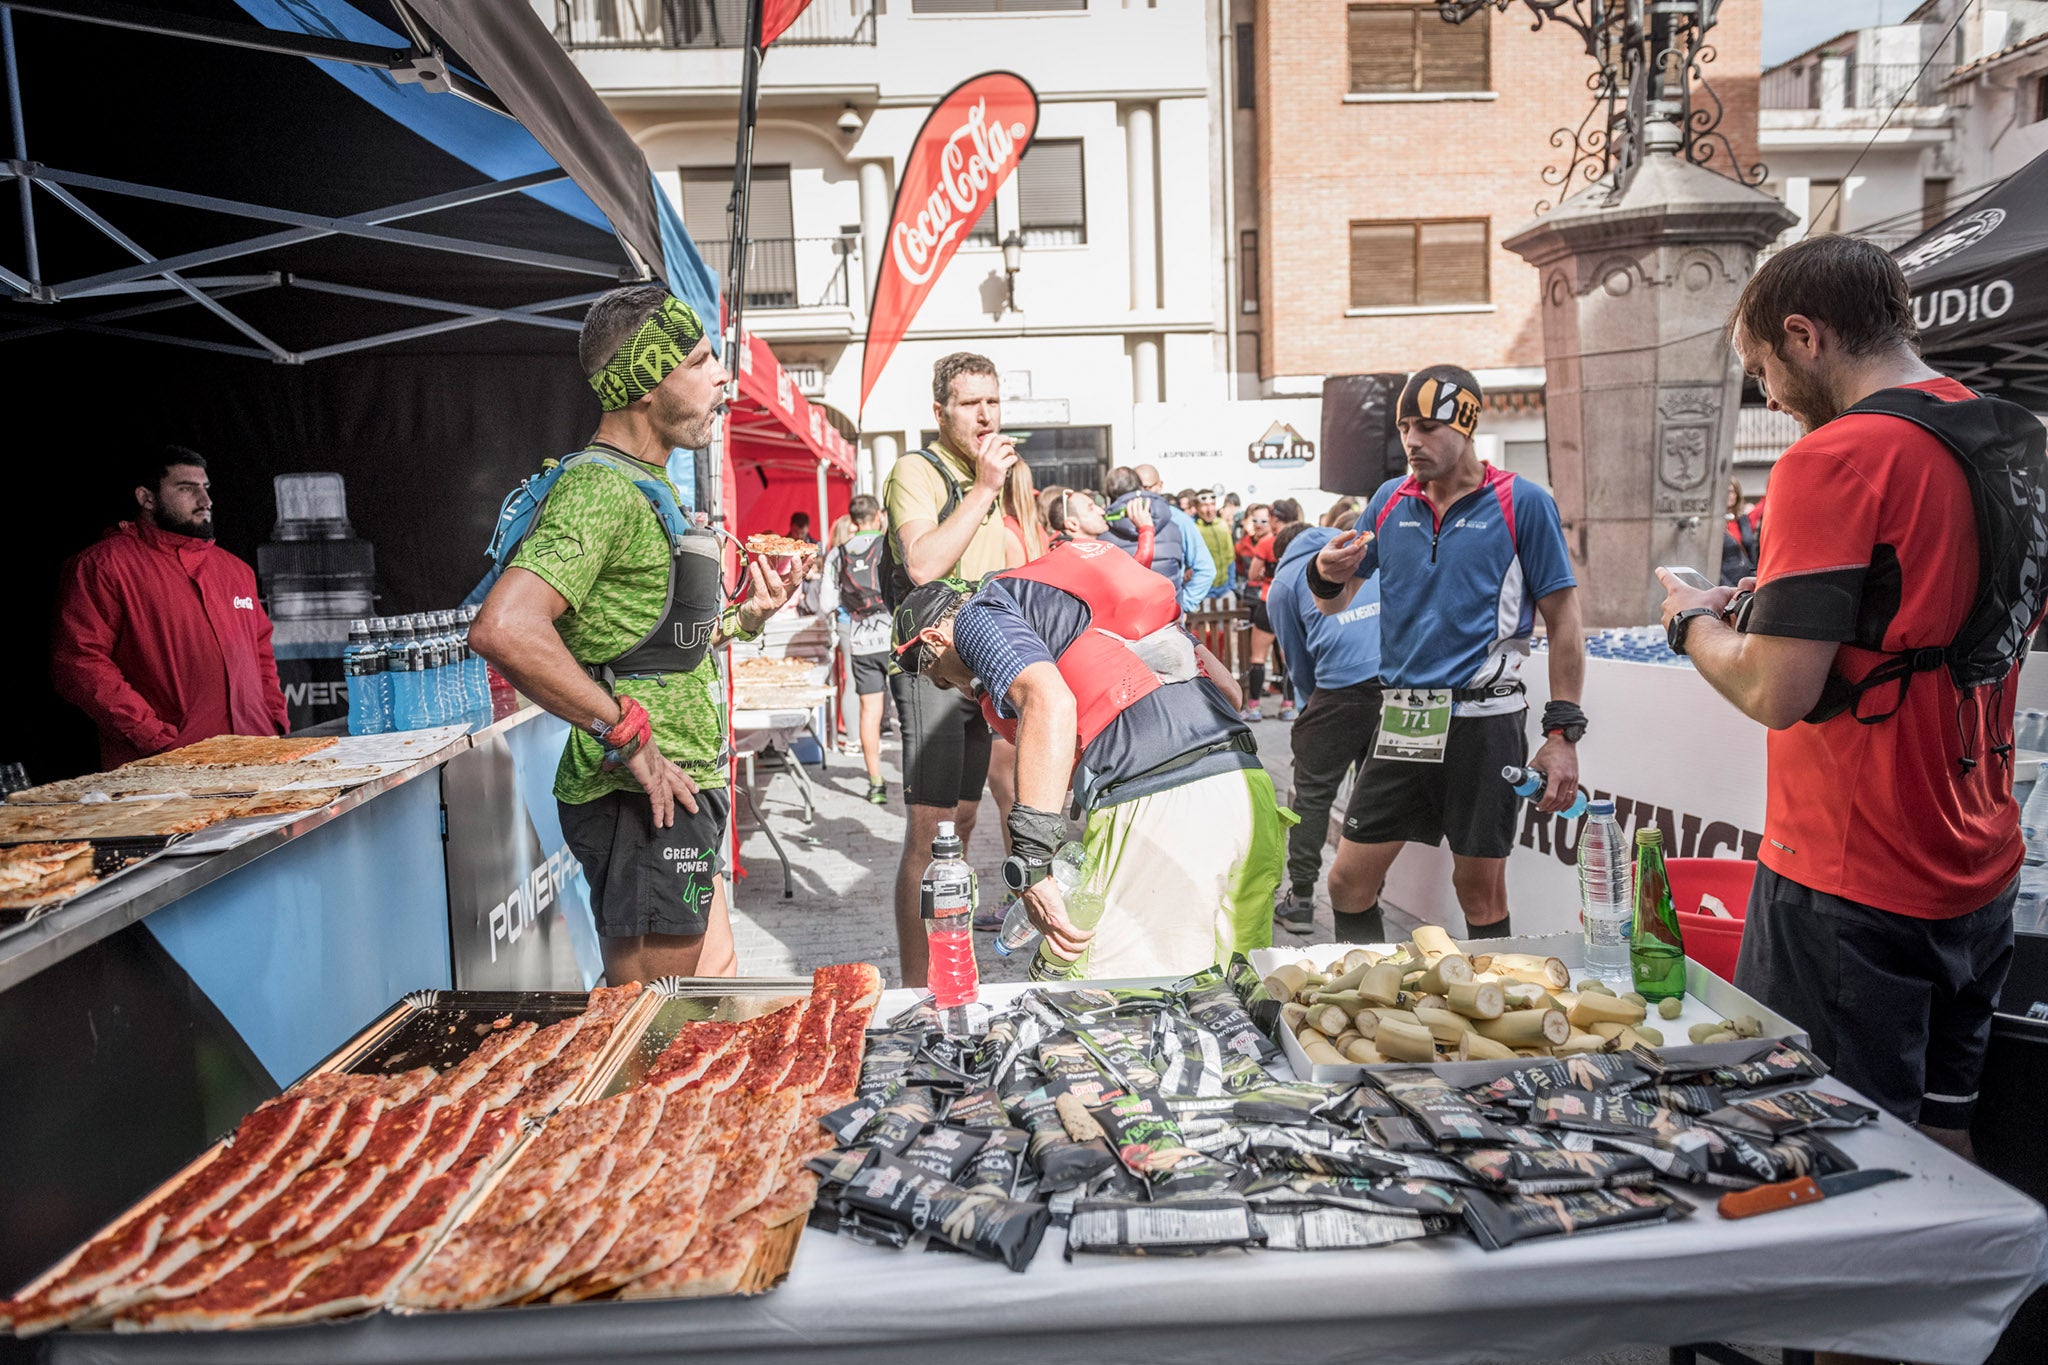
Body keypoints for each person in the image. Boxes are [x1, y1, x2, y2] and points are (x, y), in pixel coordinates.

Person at [1657, 235, 2047, 1156]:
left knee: (1831, 1149)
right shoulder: (2018, 438)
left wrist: (1691, 624)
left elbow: (1775, 688)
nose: (1770, 397)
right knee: (1946, 1138)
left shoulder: (1834, 457)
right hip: (1983, 861)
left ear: (1804, 336)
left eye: (1762, 370)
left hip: (1850, 870)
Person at [470, 286, 803, 984]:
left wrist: (746, 619)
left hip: (680, 785)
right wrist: (629, 736)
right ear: (645, 385)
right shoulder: (600, 488)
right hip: (644, 794)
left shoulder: (645, 482)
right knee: (657, 1020)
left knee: (712, 986)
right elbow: (505, 627)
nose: (723, 379)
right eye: (701, 362)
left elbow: (648, 647)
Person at [891, 539, 1289, 977]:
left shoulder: (977, 615)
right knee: (1237, 994)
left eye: (941, 678)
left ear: (933, 638)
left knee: (1105, 1007)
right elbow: (1230, 692)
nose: (959, 689)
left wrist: (1032, 861)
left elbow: (1048, 702)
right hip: (1245, 788)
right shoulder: (1060, 592)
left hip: (1160, 798)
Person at [1310, 364, 1585, 944]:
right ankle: (1370, 1010)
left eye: (1428, 427)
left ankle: (1493, 1015)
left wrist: (1562, 735)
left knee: (1478, 892)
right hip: (1405, 716)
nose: (1412, 440)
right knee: (1347, 883)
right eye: (1405, 426)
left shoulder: (1522, 502)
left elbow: (1564, 623)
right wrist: (1322, 572)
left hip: (1485, 721)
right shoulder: (1388, 499)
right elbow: (1335, 603)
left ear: (1467, 425)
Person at [881, 351, 1016, 987]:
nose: (986, 415)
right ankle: (915, 990)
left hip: (982, 666)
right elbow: (922, 565)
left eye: (992, 400)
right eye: (970, 403)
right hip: (931, 668)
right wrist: (985, 488)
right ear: (940, 412)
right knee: (929, 832)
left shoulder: (1001, 473)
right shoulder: (917, 469)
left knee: (964, 823)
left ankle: (951, 958)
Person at [53, 447, 291, 769]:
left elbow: (260, 652)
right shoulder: (104, 566)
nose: (205, 500)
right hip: (167, 771)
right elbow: (79, 663)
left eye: (205, 488)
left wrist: (274, 721)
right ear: (146, 498)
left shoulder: (235, 570)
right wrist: (153, 737)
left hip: (257, 759)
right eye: (186, 488)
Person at [1267, 518, 1383, 935]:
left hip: (1338, 690)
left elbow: (1297, 662)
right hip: (1394, 683)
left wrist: (1310, 709)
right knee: (1373, 795)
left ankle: (1300, 901)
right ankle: (1368, 893)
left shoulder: (1284, 581)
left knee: (1311, 796)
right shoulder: (1354, 550)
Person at [820, 494, 892, 804]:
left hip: (861, 638)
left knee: (869, 710)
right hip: (895, 635)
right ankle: (917, 782)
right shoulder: (891, 546)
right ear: (878, 516)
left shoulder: (837, 554)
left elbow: (825, 603)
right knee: (909, 710)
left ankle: (875, 782)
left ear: (853, 521)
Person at [1135, 463, 1217, 612]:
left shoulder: (1180, 520)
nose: (1141, 494)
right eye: (1136, 489)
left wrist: (1183, 605)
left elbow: (1206, 569)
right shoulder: (1120, 520)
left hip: (1168, 617)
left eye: (1146, 488)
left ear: (1159, 486)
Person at [1235, 503, 1275, 721]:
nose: (1259, 525)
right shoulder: (1285, 540)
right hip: (1282, 601)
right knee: (1286, 658)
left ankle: (1254, 706)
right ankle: (1289, 705)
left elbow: (1250, 573)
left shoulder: (1266, 543)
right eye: (1256, 520)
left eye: (1264, 521)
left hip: (1266, 600)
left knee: (1258, 657)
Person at [1194, 490, 1237, 600]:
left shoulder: (1222, 524)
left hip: (1224, 588)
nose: (1209, 510)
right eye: (1204, 506)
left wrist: (1231, 586)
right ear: (1196, 507)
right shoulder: (1193, 528)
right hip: (1204, 591)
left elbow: (1230, 557)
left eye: (1212, 505)